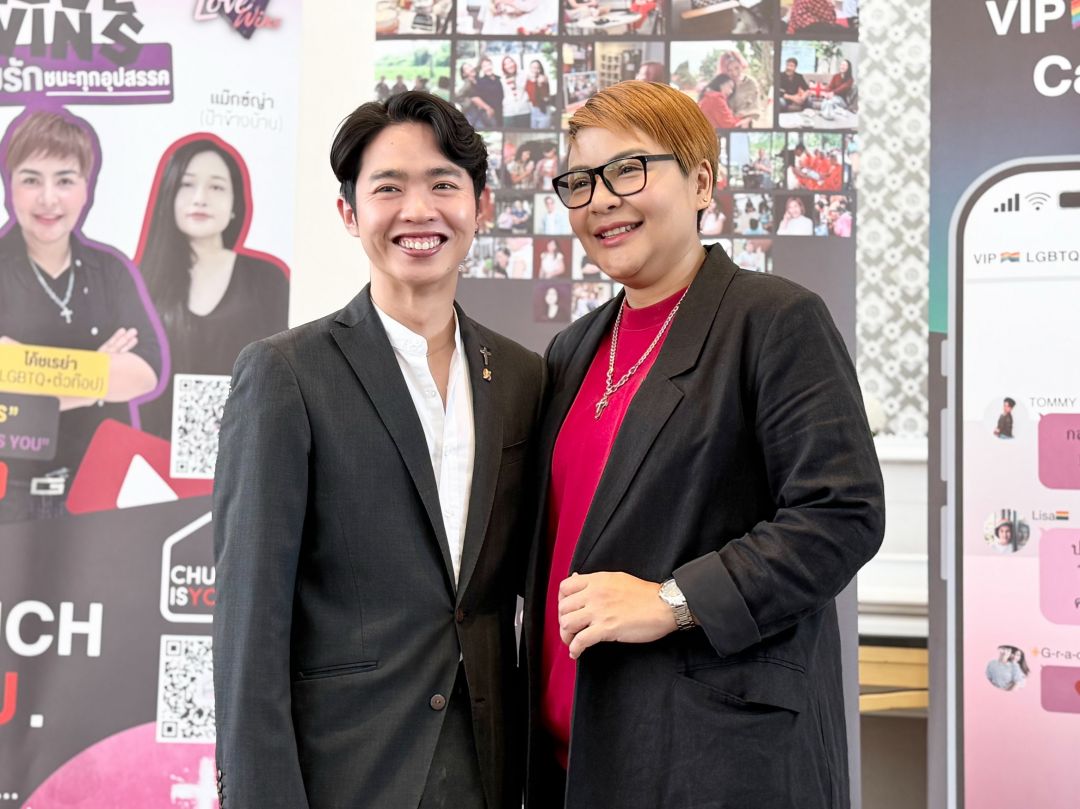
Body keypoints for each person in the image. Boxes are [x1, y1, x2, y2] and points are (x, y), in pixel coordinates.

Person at [527, 80, 884, 808]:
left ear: (700, 183)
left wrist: (674, 600)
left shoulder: (774, 320)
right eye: (580, 181)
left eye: (628, 170)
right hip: (577, 763)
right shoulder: (572, 350)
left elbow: (841, 514)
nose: (601, 200)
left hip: (715, 765)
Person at [212, 91, 544, 809]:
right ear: (349, 212)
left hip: (488, 771)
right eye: (389, 188)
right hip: (343, 771)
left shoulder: (524, 377)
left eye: (443, 185)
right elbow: (248, 624)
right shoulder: (286, 373)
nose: (418, 211)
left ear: (481, 207)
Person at [0, 110, 162, 523]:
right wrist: (101, 373)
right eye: (31, 179)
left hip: (103, 486)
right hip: (10, 495)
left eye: (65, 180)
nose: (48, 198)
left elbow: (146, 372)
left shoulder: (111, 270)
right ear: (9, 185)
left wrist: (28, 371)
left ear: (86, 188)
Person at [136, 135, 289, 440]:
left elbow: (282, 373)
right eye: (187, 184)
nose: (200, 198)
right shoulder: (141, 281)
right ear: (169, 196)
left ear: (235, 204)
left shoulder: (267, 279)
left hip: (243, 441)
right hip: (154, 450)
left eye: (217, 187)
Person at [720, 51, 762, 123]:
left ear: (741, 66)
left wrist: (746, 120)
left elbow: (755, 108)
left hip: (745, 123)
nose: (734, 73)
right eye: (729, 70)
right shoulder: (721, 85)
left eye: (737, 68)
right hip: (726, 123)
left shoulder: (751, 83)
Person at [456, 61, 498, 130]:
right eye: (467, 68)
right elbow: (460, 96)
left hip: (482, 111)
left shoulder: (477, 80)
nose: (470, 68)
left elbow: (478, 66)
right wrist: (469, 101)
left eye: (470, 66)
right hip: (472, 112)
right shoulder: (467, 84)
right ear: (464, 74)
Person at [501, 55, 532, 129]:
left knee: (525, 132)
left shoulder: (524, 75)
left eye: (510, 62)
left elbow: (534, 82)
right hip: (508, 111)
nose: (509, 65)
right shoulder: (502, 79)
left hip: (524, 109)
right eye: (506, 64)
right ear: (504, 67)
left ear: (514, 63)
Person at [526, 59, 553, 128]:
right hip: (533, 111)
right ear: (530, 69)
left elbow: (546, 97)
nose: (535, 70)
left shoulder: (543, 79)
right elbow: (531, 97)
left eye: (537, 68)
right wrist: (534, 81)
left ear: (540, 69)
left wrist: (540, 84)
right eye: (533, 67)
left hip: (543, 110)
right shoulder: (528, 81)